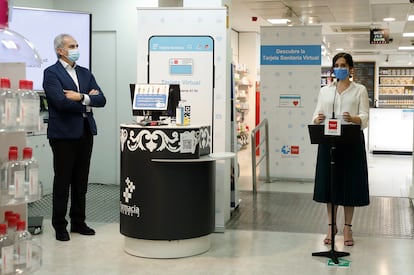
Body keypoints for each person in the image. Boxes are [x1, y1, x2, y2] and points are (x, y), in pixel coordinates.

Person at [43, 34, 107, 241]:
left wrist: (80, 96)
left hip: (85, 131)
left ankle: (79, 222)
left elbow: (102, 99)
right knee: (63, 181)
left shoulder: (85, 72)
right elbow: (60, 102)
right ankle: (60, 226)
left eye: (77, 45)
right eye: (72, 46)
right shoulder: (51, 73)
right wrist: (89, 99)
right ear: (60, 50)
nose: (76, 48)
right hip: (63, 134)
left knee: (81, 181)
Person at [311, 52, 370, 246]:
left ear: (351, 68)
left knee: (349, 184)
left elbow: (365, 117)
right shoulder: (325, 91)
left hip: (351, 141)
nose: (340, 68)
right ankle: (330, 226)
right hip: (329, 141)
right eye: (337, 65)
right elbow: (316, 114)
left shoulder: (359, 90)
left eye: (344, 65)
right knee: (330, 184)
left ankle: (347, 227)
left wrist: (353, 119)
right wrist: (318, 119)